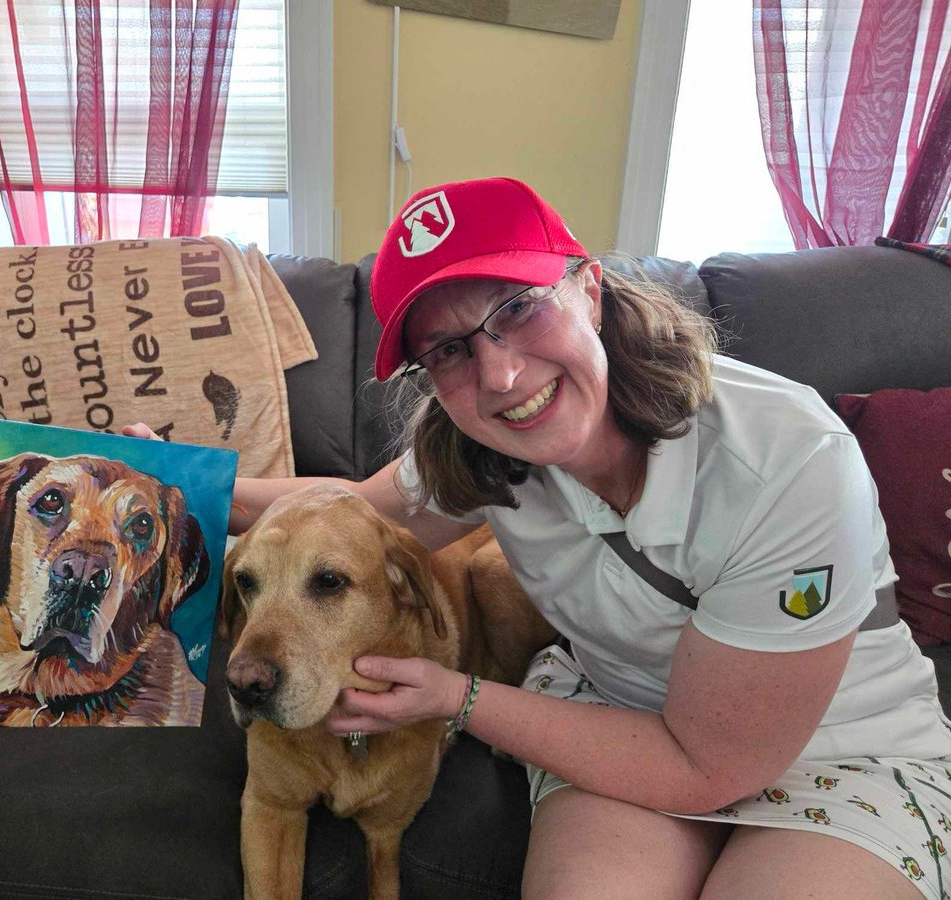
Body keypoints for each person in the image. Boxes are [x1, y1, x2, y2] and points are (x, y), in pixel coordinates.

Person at [126, 176, 949, 898]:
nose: (501, 375)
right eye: (449, 350)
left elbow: (711, 763)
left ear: (590, 288)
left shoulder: (787, 459)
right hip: (613, 714)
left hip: (838, 753)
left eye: (516, 308)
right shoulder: (478, 449)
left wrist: (459, 698)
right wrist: (180, 483)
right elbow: (350, 509)